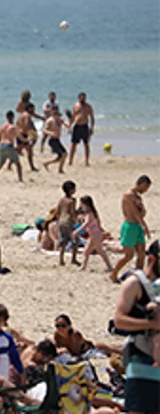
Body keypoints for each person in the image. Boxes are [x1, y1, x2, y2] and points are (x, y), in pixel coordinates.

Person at [113, 240, 160, 413]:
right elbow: (119, 320)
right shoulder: (134, 283)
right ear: (153, 259)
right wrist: (152, 324)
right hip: (142, 360)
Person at [111, 175, 152, 283]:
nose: (145, 191)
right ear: (142, 184)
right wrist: (145, 226)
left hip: (137, 225)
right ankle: (113, 273)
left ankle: (138, 278)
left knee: (142, 254)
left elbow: (142, 214)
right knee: (128, 255)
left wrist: (141, 206)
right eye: (145, 188)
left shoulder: (137, 197)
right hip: (130, 226)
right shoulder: (128, 195)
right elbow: (134, 214)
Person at [73, 196, 113, 273]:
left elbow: (86, 224)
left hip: (95, 234)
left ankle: (109, 266)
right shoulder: (92, 213)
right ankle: (83, 267)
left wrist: (76, 231)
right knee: (86, 251)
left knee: (100, 251)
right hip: (94, 234)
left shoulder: (90, 214)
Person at [53, 314, 121, 358]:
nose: (60, 329)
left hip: (91, 348)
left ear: (69, 326)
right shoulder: (57, 335)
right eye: (57, 326)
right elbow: (57, 348)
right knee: (112, 349)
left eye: (63, 326)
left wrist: (64, 351)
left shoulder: (74, 334)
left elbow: (76, 352)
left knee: (114, 350)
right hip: (86, 351)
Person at [0, 111, 25, 182]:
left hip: (2, 145)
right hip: (9, 145)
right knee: (18, 164)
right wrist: (28, 139)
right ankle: (20, 179)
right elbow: (21, 138)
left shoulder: (2, 127)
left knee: (0, 164)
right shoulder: (14, 127)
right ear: (13, 117)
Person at [55, 180, 80, 267]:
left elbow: (57, 211)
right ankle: (73, 259)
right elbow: (72, 212)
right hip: (69, 221)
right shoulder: (72, 201)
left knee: (63, 241)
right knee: (75, 241)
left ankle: (61, 260)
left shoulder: (61, 200)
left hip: (61, 221)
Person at [42, 108, 70, 174]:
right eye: (54, 111)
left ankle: (46, 163)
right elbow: (44, 130)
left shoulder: (60, 119)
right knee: (63, 154)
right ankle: (60, 169)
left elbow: (67, 124)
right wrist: (51, 133)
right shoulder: (49, 120)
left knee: (63, 155)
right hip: (52, 140)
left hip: (57, 140)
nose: (55, 112)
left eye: (56, 110)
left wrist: (69, 127)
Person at [69, 92, 94, 167]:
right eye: (81, 97)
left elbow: (92, 118)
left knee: (86, 144)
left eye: (84, 97)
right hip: (77, 126)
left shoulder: (88, 107)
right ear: (79, 98)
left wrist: (91, 128)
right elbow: (73, 116)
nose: (82, 99)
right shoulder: (75, 106)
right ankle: (70, 160)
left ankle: (86, 161)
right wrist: (70, 126)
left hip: (85, 126)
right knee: (74, 144)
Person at [15, 103, 38, 172]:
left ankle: (32, 167)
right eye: (33, 109)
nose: (34, 110)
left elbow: (17, 124)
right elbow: (26, 126)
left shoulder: (21, 114)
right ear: (29, 108)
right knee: (26, 150)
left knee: (21, 150)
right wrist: (32, 134)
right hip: (23, 135)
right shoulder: (27, 116)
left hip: (19, 134)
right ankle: (32, 167)